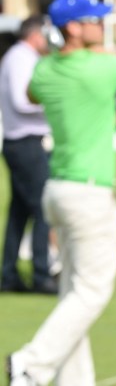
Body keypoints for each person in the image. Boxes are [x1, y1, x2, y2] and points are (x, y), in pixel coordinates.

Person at [6, 0, 116, 386]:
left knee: (72, 294)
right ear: (73, 27)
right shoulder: (103, 67)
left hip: (58, 189)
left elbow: (31, 93)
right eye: (94, 20)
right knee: (91, 293)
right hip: (89, 192)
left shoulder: (44, 70)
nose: (101, 26)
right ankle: (32, 364)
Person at [1, 15, 57, 295]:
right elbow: (22, 101)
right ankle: (40, 274)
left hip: (23, 141)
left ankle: (9, 275)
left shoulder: (20, 57)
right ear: (36, 35)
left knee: (20, 211)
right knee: (41, 208)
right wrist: (54, 104)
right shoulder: (21, 58)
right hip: (26, 142)